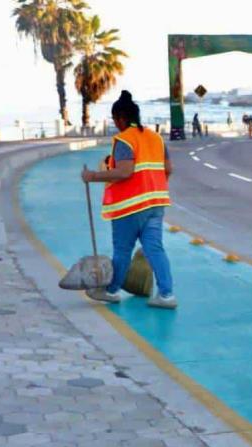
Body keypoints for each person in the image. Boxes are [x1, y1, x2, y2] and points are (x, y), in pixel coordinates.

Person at [81, 90, 177, 309]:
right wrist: (153, 186)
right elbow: (168, 169)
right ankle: (166, 294)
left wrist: (92, 176)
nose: (115, 124)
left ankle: (112, 290)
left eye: (115, 119)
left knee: (123, 250)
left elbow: (125, 172)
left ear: (122, 118)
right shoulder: (155, 138)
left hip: (131, 207)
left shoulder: (125, 140)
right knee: (155, 249)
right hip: (156, 204)